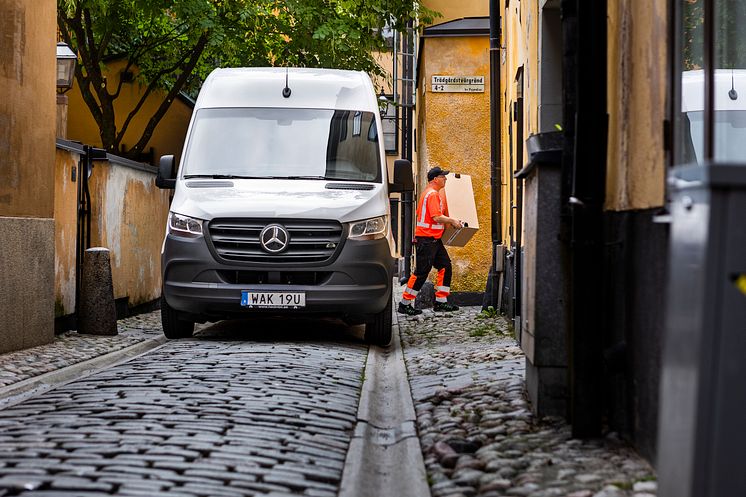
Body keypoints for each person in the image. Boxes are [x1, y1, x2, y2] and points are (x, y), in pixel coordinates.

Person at [398, 166, 463, 315]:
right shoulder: (432, 194)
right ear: (435, 179)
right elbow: (436, 217)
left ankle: (441, 302)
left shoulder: (431, 194)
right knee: (421, 272)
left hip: (433, 240)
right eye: (443, 176)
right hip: (426, 240)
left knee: (445, 266)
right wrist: (452, 220)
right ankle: (404, 303)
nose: (445, 179)